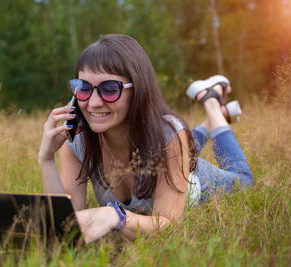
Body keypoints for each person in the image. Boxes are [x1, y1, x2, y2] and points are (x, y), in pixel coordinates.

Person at [38, 34, 253, 243]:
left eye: (110, 89)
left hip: (194, 179)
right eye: (83, 88)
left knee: (243, 179)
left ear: (138, 89)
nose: (93, 103)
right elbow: (66, 223)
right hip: (170, 148)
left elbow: (168, 224)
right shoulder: (78, 139)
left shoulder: (169, 135)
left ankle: (211, 101)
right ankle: (214, 119)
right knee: (180, 139)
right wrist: (46, 159)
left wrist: (116, 216)